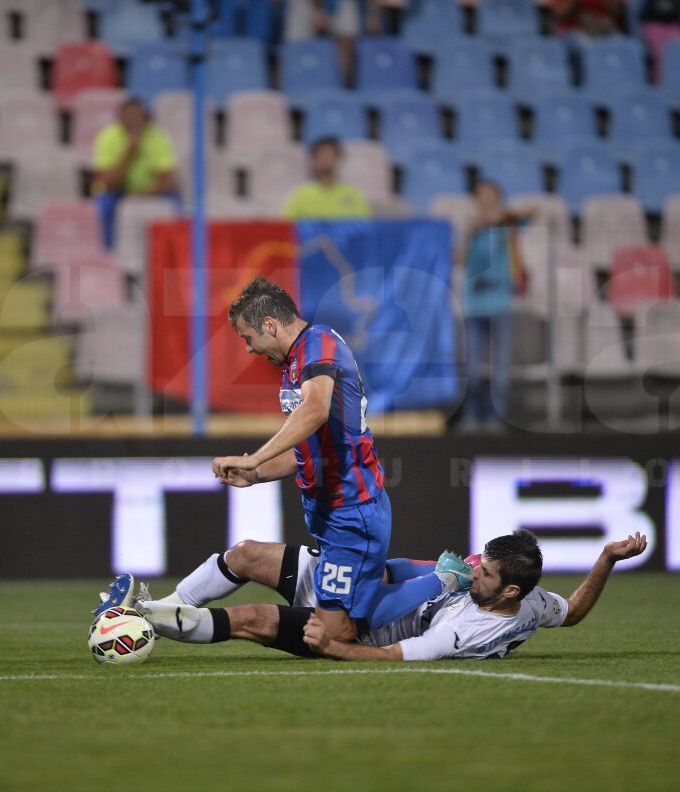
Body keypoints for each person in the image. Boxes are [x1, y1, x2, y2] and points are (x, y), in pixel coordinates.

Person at [208, 276, 470, 644]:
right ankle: (448, 571)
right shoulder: (299, 359)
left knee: (333, 634)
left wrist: (255, 459)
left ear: (269, 324)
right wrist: (257, 473)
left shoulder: (317, 345)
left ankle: (445, 580)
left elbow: (314, 411)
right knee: (368, 582)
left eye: (248, 337)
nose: (249, 349)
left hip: (352, 506)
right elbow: (306, 450)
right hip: (336, 510)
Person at [136, 529, 649, 661]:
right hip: (370, 589)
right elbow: (576, 611)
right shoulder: (533, 600)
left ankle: (140, 620)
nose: (475, 571)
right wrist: (606, 558)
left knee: (248, 619)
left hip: (360, 625)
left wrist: (331, 646)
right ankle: (164, 603)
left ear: (508, 589)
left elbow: (388, 655)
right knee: (246, 553)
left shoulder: (467, 632)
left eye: (485, 572)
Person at [456, 179, 533, 433]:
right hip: (475, 306)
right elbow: (458, 258)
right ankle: (471, 415)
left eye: (489, 194)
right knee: (472, 367)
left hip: (500, 305)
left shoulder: (507, 223)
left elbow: (535, 211)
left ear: (498, 197)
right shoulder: (471, 228)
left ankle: (496, 418)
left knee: (501, 367)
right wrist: (471, 233)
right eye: (480, 195)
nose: (485, 199)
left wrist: (498, 218)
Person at [91, 98, 180, 250]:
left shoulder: (157, 138)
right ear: (120, 118)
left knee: (175, 205)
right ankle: (107, 253)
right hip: (118, 191)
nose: (133, 121)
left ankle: (171, 253)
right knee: (103, 205)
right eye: (128, 116)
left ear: (145, 117)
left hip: (151, 191)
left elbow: (168, 182)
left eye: (137, 116)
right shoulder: (107, 138)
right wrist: (129, 152)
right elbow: (106, 182)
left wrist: (140, 194)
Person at [282, 137, 371, 220]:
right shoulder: (301, 194)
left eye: (331, 154)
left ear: (339, 159)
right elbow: (287, 227)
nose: (326, 158)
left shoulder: (353, 193)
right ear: (314, 159)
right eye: (321, 154)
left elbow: (365, 226)